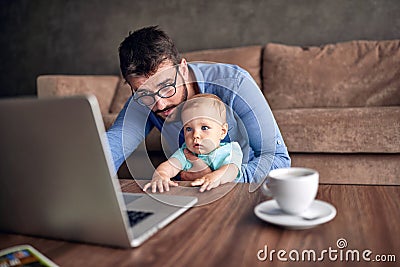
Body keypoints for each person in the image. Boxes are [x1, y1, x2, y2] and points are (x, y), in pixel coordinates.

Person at [106, 25, 291, 187]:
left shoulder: (235, 83)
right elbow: (111, 149)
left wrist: (220, 178)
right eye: (143, 93)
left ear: (183, 69)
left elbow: (278, 159)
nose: (159, 104)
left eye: (166, 87)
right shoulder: (142, 99)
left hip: (241, 189)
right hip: (186, 191)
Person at [143, 94, 243, 193]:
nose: (195, 135)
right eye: (189, 129)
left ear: (223, 131)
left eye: (204, 128)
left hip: (225, 197)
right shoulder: (185, 152)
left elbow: (232, 169)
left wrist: (214, 177)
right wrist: (161, 175)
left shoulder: (230, 150)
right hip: (194, 196)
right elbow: (170, 166)